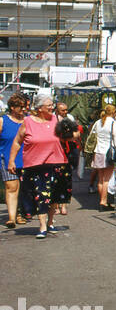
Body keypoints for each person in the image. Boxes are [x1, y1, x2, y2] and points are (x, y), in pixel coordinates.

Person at [7, 92, 70, 239]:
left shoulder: (56, 120)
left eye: (52, 105)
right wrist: (11, 160)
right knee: (41, 196)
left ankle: (49, 222)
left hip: (57, 163)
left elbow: (70, 134)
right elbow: (17, 141)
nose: (52, 107)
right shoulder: (28, 122)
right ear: (40, 108)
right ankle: (42, 226)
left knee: (54, 197)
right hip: (35, 165)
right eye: (49, 105)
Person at [86, 101, 116, 211]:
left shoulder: (98, 122)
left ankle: (102, 201)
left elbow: (92, 135)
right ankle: (104, 202)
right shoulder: (114, 124)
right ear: (114, 113)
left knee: (101, 179)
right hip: (108, 153)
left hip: (98, 152)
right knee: (107, 179)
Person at [1, 95, 26, 229]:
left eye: (25, 106)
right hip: (7, 158)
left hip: (26, 159)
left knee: (24, 188)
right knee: (12, 187)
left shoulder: (27, 121)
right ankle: (12, 217)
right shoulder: (2, 121)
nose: (24, 109)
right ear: (12, 107)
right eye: (20, 107)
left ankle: (20, 214)